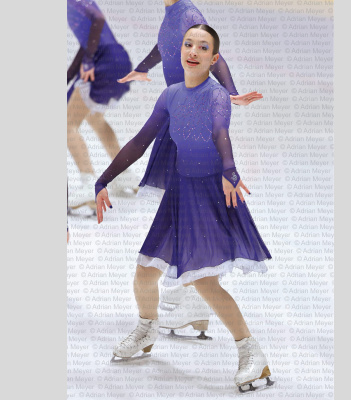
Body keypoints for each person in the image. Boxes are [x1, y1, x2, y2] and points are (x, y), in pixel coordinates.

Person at [95, 24, 274, 393]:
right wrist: (104, 179)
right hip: (178, 192)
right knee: (145, 272)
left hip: (210, 193)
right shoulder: (171, 95)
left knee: (202, 280)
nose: (193, 51)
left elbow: (220, 132)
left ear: (214, 58)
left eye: (203, 47)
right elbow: (140, 141)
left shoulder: (216, 95)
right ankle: (147, 329)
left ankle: (252, 354)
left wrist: (230, 170)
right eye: (188, 44)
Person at [118, 0, 264, 327]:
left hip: (192, 118)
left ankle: (197, 297)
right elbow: (166, 45)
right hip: (178, 114)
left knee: (193, 208)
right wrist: (143, 67)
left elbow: (214, 55)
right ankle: (192, 288)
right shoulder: (173, 12)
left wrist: (231, 92)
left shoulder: (188, 13)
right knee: (182, 208)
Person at [67, 0, 140, 209]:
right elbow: (86, 44)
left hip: (104, 61)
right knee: (95, 117)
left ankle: (88, 183)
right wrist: (69, 76)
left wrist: (89, 60)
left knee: (67, 125)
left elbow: (99, 19)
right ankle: (124, 174)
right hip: (118, 59)